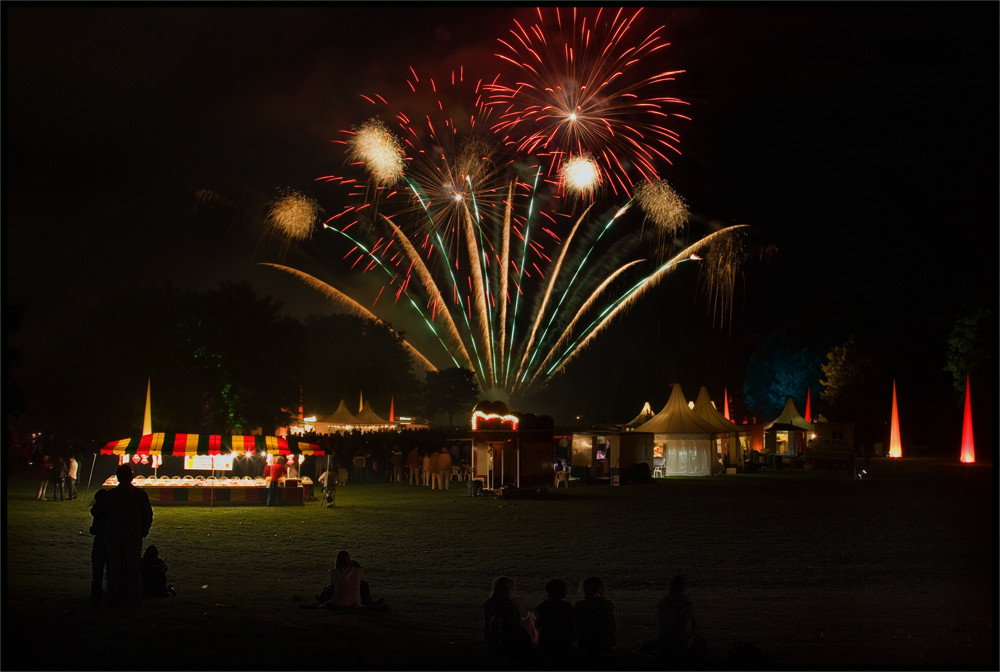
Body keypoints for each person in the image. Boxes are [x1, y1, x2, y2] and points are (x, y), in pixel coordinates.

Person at [104, 464, 153, 608]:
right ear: (131, 477)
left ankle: (114, 598)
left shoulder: (111, 495)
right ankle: (134, 599)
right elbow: (147, 515)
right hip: (132, 536)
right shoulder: (139, 495)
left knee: (115, 569)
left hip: (115, 536)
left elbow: (103, 515)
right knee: (132, 569)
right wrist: (144, 530)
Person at [643, 574, 707, 664]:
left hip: (666, 642)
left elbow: (662, 626)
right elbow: (691, 627)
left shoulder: (663, 603)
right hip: (680, 643)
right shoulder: (687, 605)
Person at [483, 576, 535, 660]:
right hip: (506, 640)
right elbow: (512, 625)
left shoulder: (489, 603)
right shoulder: (508, 605)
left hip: (493, 638)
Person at [319, 550, 386, 609]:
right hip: (355, 602)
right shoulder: (358, 570)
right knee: (363, 584)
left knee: (332, 587)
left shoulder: (333, 572)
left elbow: (334, 585)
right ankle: (368, 601)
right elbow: (364, 583)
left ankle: (323, 597)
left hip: (337, 602)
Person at [574, 576, 616, 656]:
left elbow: (578, 626)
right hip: (605, 643)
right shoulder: (608, 605)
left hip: (586, 643)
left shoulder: (580, 605)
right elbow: (613, 626)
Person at [534, 578, 576, 657]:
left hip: (547, 641)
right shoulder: (567, 606)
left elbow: (538, 624)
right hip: (565, 641)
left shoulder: (542, 607)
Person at [89, 488, 111, 606]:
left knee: (97, 571)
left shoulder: (98, 511)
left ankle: (96, 594)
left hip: (100, 542)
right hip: (109, 542)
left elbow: (94, 528)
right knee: (110, 569)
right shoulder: (109, 511)